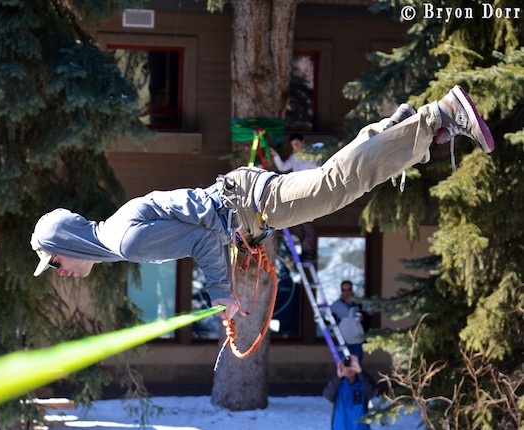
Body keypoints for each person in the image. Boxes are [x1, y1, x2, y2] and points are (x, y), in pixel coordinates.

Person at [30, 85, 494, 321]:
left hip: (251, 205)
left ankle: (440, 114)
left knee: (338, 184)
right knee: (334, 180)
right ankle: (401, 127)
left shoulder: (124, 242)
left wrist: (220, 292)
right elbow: (204, 230)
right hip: (246, 201)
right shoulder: (116, 231)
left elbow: (203, 241)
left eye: (54, 262)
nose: (60, 272)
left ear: (66, 244)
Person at [269, 133, 321, 262]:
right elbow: (283, 167)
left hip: (309, 191)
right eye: (293, 144)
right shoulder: (293, 157)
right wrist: (276, 156)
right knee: (297, 223)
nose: (296, 146)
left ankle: (309, 253)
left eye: (297, 143)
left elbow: (318, 169)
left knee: (307, 223)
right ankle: (305, 251)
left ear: (302, 142)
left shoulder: (311, 155)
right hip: (297, 192)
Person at [323, 355, 378, 430]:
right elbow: (328, 395)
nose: (349, 369)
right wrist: (338, 377)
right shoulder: (338, 384)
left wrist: (361, 372)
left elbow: (372, 392)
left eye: (352, 365)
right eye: (346, 365)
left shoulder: (363, 384)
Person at [330, 280, 373, 364]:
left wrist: (363, 318)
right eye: (344, 290)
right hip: (342, 341)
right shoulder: (336, 305)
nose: (346, 292)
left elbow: (370, 317)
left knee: (356, 365)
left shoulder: (361, 303)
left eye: (349, 289)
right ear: (341, 291)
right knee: (343, 366)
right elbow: (329, 323)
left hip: (357, 340)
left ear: (352, 290)